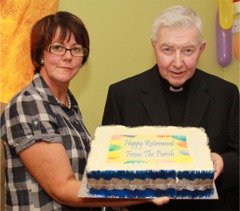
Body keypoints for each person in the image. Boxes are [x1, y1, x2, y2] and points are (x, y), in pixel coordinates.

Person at [0, 11, 170, 210]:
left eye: (76, 49)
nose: (68, 56)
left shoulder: (68, 106)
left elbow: (86, 178)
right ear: (40, 55)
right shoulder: (29, 104)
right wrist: (144, 191)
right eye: (57, 48)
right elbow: (62, 188)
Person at [102, 5, 239, 211]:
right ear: (154, 47)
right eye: (167, 50)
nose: (177, 62)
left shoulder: (226, 93)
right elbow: (107, 170)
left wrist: (222, 162)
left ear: (201, 49)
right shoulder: (122, 94)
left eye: (188, 51)